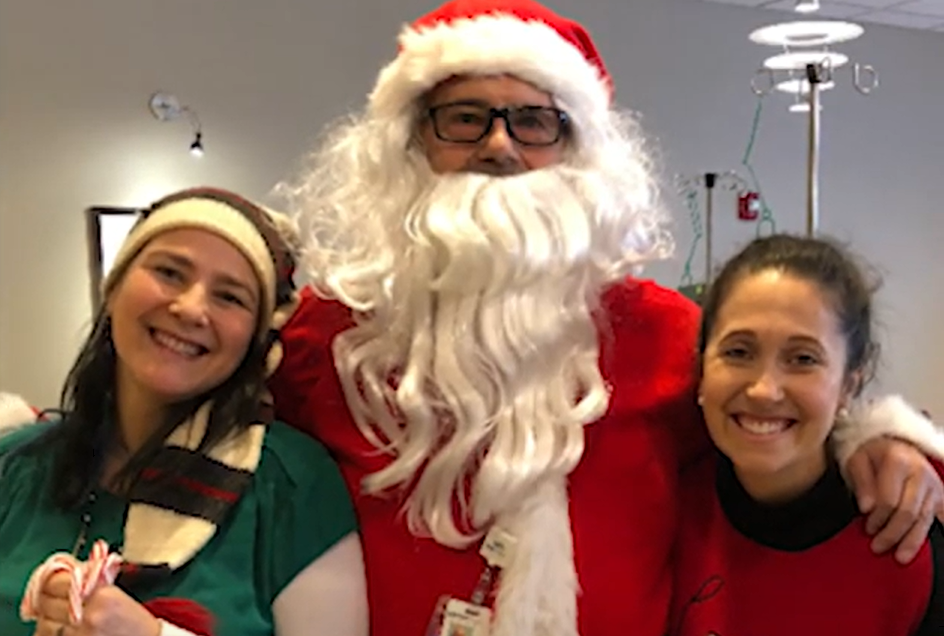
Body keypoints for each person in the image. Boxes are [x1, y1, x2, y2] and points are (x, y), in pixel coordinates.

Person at [270, 1, 944, 635]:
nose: (500, 148)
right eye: (464, 118)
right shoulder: (329, 337)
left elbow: (771, 424)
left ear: (579, 150)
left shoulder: (663, 334)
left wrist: (874, 443)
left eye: (535, 121)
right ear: (412, 142)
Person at [0, 188, 369, 636]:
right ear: (113, 287)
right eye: (170, 272)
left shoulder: (292, 488)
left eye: (230, 297)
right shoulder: (15, 467)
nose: (191, 308)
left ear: (255, 336)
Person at [671, 234, 944, 635]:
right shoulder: (663, 512)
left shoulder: (904, 537)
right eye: (738, 352)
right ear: (701, 369)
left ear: (849, 385)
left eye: (803, 359)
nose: (764, 389)